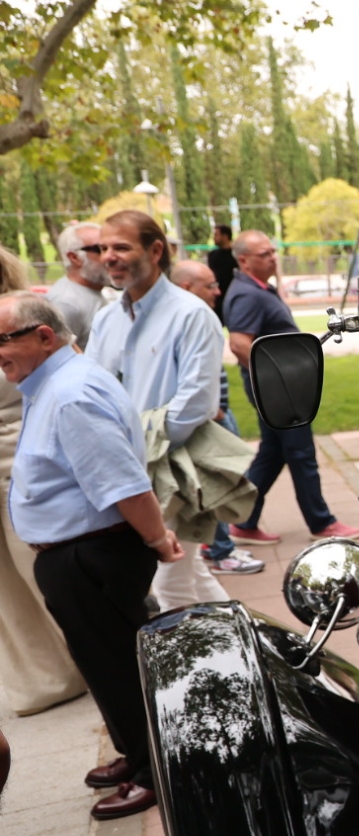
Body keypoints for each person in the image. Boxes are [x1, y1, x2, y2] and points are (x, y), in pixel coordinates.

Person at [1, 292, 183, 819]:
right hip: (78, 555)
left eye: (3, 340)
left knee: (120, 668)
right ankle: (136, 754)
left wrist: (157, 540)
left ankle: (156, 774)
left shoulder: (72, 393)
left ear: (44, 336)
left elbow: (124, 486)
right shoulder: (51, 384)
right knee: (105, 665)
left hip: (92, 555)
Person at [85, 211, 230, 611]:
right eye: (103, 248)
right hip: (126, 473)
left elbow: (194, 406)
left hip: (173, 471)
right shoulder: (106, 320)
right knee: (192, 575)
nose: (108, 256)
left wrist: (133, 452)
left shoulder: (192, 314)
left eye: (121, 247)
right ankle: (248, 651)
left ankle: (192, 671)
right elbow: (94, 394)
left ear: (155, 250)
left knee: (169, 586)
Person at [222, 230, 359, 545]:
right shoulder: (247, 294)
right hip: (276, 390)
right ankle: (321, 522)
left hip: (279, 386)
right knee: (300, 452)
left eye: (273, 251)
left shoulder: (258, 288)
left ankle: (242, 521)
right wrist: (275, 380)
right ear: (243, 260)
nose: (273, 257)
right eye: (264, 254)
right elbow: (240, 344)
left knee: (272, 454)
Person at [0, 248, 85, 716]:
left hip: (23, 456)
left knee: (41, 569)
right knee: (6, 586)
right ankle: (42, 679)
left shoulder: (20, 315)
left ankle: (83, 661)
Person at [170, 259, 263, 575]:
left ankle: (218, 546)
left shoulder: (190, 316)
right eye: (209, 285)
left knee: (218, 482)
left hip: (215, 412)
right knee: (215, 484)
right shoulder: (190, 317)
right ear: (186, 287)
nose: (217, 290)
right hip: (210, 417)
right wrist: (217, 413)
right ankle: (221, 551)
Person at [45, 222, 110, 349]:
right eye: (100, 249)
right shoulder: (66, 303)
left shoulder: (92, 291)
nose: (109, 256)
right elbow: (60, 358)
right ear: (74, 257)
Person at [207, 223, 239, 306]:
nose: (214, 238)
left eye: (216, 235)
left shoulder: (237, 255)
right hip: (219, 298)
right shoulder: (213, 255)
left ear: (225, 236)